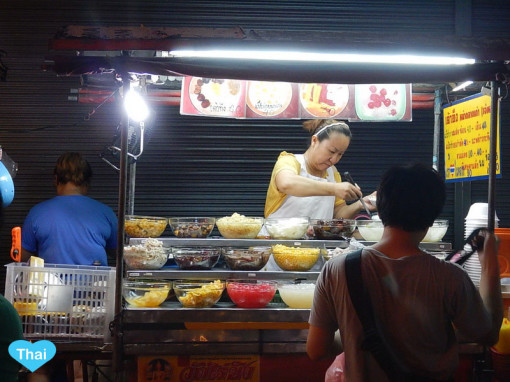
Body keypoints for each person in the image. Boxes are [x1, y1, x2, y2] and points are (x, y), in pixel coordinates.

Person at [307, 163, 503, 381]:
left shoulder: (337, 269)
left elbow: (317, 350)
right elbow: (488, 334)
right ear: (431, 218)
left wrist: (354, 331)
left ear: (380, 210)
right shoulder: (450, 277)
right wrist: (489, 262)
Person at [264, 119, 376, 221]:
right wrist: (334, 188)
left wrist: (360, 205)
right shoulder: (289, 161)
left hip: (317, 241)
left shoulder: (332, 173)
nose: (334, 159)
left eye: (340, 154)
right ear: (314, 141)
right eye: (331, 151)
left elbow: (337, 215)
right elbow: (287, 183)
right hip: (280, 240)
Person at [21, 152, 118, 266]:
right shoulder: (106, 213)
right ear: (87, 183)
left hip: (50, 283)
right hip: (97, 283)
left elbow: (24, 256)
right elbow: (119, 252)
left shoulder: (37, 212)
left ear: (56, 179)